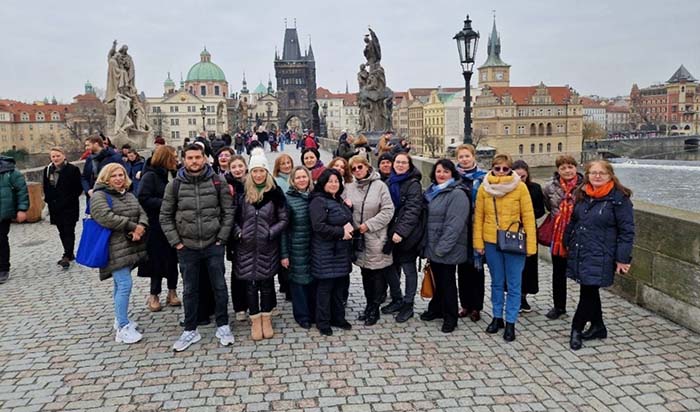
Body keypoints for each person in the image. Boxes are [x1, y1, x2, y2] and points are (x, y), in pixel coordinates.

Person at [160, 143, 235, 351]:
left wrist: (222, 237)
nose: (194, 161)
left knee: (219, 286)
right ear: (184, 160)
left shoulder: (217, 181)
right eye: (190, 158)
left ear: (204, 159)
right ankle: (190, 329)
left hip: (213, 243)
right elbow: (165, 216)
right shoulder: (174, 185)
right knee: (190, 289)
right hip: (187, 246)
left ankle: (223, 324)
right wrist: (177, 242)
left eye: (197, 157)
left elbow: (228, 212)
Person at [566, 160, 634, 350]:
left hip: (602, 253)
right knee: (589, 289)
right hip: (582, 249)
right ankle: (598, 326)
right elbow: (574, 221)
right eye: (593, 172)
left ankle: (576, 329)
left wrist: (623, 259)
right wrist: (566, 242)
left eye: (601, 173)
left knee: (587, 291)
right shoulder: (583, 194)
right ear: (587, 175)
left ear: (610, 175)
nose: (597, 176)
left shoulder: (619, 199)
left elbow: (627, 231)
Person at [473, 154, 537, 342]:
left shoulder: (520, 188)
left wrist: (530, 246)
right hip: (491, 241)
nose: (501, 172)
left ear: (510, 170)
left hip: (513, 241)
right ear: (492, 168)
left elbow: (529, 217)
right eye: (497, 168)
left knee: (514, 284)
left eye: (505, 169)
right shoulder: (485, 188)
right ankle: (497, 317)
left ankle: (511, 322)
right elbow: (479, 218)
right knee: (496, 282)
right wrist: (478, 244)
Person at [231, 148, 288, 340]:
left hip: (267, 246)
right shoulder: (243, 193)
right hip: (246, 246)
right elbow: (233, 218)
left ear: (267, 172)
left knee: (266, 283)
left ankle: (266, 318)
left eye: (261, 171)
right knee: (249, 284)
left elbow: (284, 219)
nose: (258, 174)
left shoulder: (275, 192)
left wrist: (270, 233)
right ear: (250, 172)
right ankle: (255, 320)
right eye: (254, 171)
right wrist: (239, 233)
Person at [90, 163, 148, 344]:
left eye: (121, 175)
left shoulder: (128, 194)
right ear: (106, 178)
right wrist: (132, 226)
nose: (118, 178)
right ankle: (123, 327)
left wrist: (142, 227)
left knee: (119, 284)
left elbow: (141, 212)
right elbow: (105, 217)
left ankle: (119, 319)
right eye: (114, 175)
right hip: (112, 247)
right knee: (124, 284)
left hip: (129, 246)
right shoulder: (99, 195)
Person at [419, 159, 470, 333]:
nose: (441, 174)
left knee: (447, 283)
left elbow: (454, 225)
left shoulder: (457, 194)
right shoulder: (433, 191)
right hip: (434, 246)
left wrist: (441, 248)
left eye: (446, 172)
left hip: (448, 248)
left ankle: (451, 317)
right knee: (438, 281)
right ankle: (437, 309)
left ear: (452, 174)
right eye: (438, 171)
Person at [346, 155, 395, 326]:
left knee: (377, 274)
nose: (357, 171)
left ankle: (374, 309)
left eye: (360, 167)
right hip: (358, 239)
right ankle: (368, 306)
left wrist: (369, 225)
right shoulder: (349, 187)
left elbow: (388, 211)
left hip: (376, 237)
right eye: (354, 169)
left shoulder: (380, 186)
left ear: (367, 167)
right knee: (365, 274)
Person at [309, 169, 354, 336]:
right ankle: (323, 321)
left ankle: (338, 318)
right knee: (325, 288)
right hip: (325, 251)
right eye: (330, 181)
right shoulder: (318, 201)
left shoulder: (338, 200)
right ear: (323, 183)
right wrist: (340, 232)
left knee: (338, 287)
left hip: (340, 251)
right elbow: (319, 227)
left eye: (337, 181)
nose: (334, 184)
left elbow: (344, 218)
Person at [137, 145, 181, 312]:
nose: (177, 160)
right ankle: (154, 294)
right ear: (166, 158)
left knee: (172, 260)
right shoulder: (150, 176)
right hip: (156, 225)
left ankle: (172, 292)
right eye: (174, 157)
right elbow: (143, 198)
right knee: (156, 261)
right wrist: (167, 205)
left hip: (175, 224)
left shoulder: (175, 174)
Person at [542, 155, 583, 320]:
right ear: (558, 170)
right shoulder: (549, 188)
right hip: (558, 237)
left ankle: (584, 308)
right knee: (558, 273)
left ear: (575, 168)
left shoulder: (585, 186)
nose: (567, 171)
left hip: (578, 235)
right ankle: (559, 306)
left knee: (582, 273)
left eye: (570, 167)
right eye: (563, 168)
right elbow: (548, 207)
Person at [385, 152, 424, 323]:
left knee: (408, 270)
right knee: (391, 268)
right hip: (390, 234)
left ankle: (408, 304)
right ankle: (397, 298)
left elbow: (412, 210)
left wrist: (400, 232)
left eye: (403, 163)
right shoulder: (389, 182)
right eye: (397, 162)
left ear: (409, 166)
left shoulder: (413, 184)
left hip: (407, 235)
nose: (400, 165)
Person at [454, 144, 488, 322]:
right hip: (460, 228)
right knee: (462, 269)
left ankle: (477, 307)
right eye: (461, 157)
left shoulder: (483, 178)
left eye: (467, 156)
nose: (464, 160)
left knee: (477, 269)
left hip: (477, 227)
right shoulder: (453, 178)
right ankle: (465, 304)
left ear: (473, 157)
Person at [281, 166, 316, 329]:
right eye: (298, 178)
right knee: (299, 282)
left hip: (314, 246)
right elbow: (283, 229)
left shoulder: (315, 196)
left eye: (304, 177)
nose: (302, 180)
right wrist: (284, 254)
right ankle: (302, 316)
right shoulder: (287, 199)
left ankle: (314, 312)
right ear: (293, 181)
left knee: (313, 280)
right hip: (296, 246)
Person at [512, 160, 545, 313]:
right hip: (512, 232)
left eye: (523, 177)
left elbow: (540, 210)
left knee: (529, 266)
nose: (520, 179)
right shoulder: (507, 188)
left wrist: (526, 216)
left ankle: (523, 296)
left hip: (529, 231)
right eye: (517, 176)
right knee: (513, 266)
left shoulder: (535, 188)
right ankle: (514, 296)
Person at [43, 147, 82, 269]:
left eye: (58, 156)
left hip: (69, 206)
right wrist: (49, 201)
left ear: (64, 156)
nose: (55, 158)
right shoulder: (48, 170)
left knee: (69, 230)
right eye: (53, 156)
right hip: (55, 207)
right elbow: (46, 187)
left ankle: (67, 254)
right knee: (61, 231)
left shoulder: (72, 169)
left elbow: (78, 189)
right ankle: (69, 253)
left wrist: (67, 199)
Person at [225, 155, 250, 322]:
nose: (237, 170)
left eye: (240, 166)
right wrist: (236, 231)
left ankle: (254, 303)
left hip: (254, 233)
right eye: (234, 167)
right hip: (235, 235)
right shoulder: (225, 186)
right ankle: (240, 306)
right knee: (237, 271)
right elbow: (226, 212)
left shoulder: (252, 182)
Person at [0, 155, 28, 284]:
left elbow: (21, 190)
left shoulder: (10, 172)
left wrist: (22, 209)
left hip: (3, 212)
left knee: (1, 240)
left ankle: (3, 268)